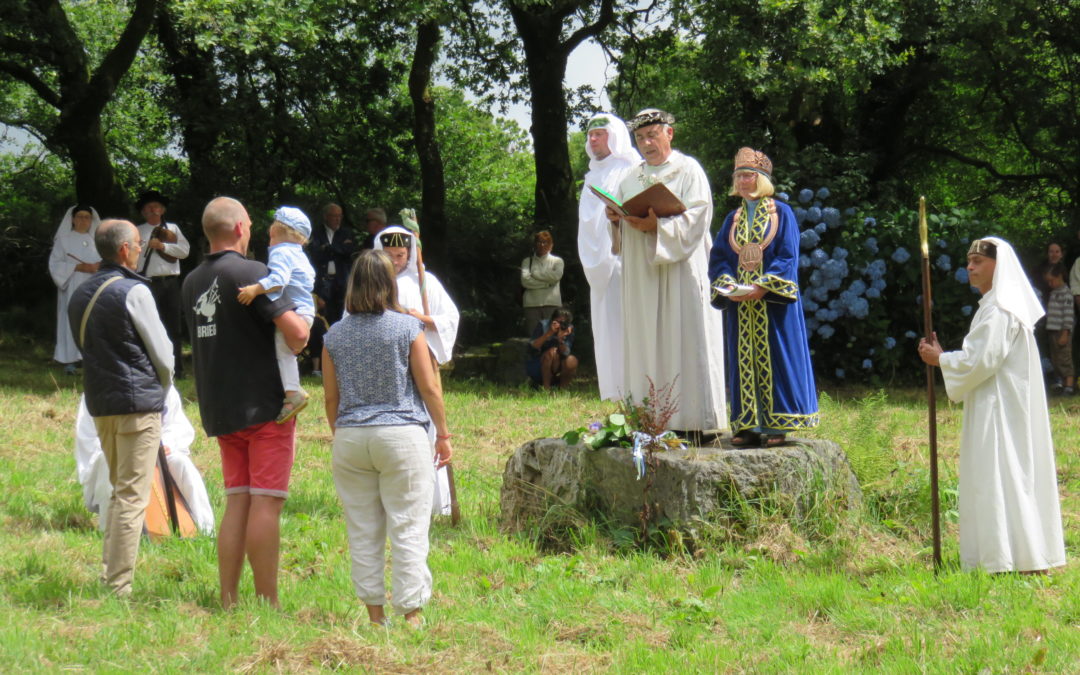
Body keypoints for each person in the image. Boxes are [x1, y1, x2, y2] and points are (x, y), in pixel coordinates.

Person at [182, 196, 310, 608]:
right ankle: (268, 602)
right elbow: (297, 334)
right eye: (251, 224)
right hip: (266, 407)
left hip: (220, 407)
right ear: (239, 228)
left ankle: (228, 597)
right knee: (266, 503)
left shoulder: (190, 282)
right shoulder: (254, 273)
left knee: (237, 498)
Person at [918, 237, 1066, 574]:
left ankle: (1009, 558)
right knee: (1008, 473)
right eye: (969, 261)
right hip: (1000, 402)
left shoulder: (1000, 309)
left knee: (1001, 472)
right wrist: (945, 358)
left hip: (999, 408)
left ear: (999, 266)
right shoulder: (996, 306)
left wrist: (941, 359)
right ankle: (1015, 555)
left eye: (978, 262)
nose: (970, 267)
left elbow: (982, 360)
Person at [322, 249, 452, 628]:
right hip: (401, 435)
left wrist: (342, 431)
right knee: (408, 525)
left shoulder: (334, 336)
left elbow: (331, 397)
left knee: (363, 528)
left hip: (350, 435)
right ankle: (411, 614)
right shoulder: (407, 328)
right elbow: (429, 388)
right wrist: (443, 434)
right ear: (389, 283)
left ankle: (375, 615)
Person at [68, 219, 174, 595]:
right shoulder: (134, 291)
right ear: (126, 249)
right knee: (132, 495)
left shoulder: (79, 294)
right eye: (138, 243)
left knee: (118, 489)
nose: (142, 247)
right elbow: (164, 355)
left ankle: (107, 573)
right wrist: (162, 390)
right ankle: (118, 586)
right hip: (137, 404)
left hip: (100, 402)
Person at [605, 108, 726, 436]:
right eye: (641, 138)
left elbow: (700, 215)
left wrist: (658, 227)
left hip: (679, 268)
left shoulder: (689, 170)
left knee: (684, 334)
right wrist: (616, 219)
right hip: (643, 273)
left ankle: (693, 420)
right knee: (646, 336)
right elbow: (621, 223)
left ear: (668, 134)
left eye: (652, 135)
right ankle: (650, 418)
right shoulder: (631, 178)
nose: (646, 143)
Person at [708, 147, 819, 446]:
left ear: (762, 179)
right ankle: (746, 425)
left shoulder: (782, 213)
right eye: (739, 176)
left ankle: (776, 424)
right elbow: (718, 258)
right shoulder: (732, 219)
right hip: (740, 308)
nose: (743, 181)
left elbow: (787, 255)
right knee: (741, 360)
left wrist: (764, 286)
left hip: (771, 304)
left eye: (749, 175)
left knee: (777, 357)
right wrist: (729, 285)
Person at [373, 224, 459, 515]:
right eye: (389, 255)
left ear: (409, 254)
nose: (395, 261)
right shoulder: (369, 285)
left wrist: (420, 317)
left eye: (400, 255)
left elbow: (450, 318)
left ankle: (434, 502)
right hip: (385, 373)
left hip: (419, 368)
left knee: (427, 430)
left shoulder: (426, 282)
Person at [75, 385, 215, 534]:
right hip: (116, 459)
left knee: (182, 463)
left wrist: (165, 444)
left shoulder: (162, 385)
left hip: (159, 456)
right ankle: (113, 531)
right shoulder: (97, 390)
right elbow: (89, 441)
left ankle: (205, 529)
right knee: (106, 461)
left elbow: (176, 426)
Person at [578, 113, 639, 400]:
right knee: (606, 327)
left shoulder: (633, 170)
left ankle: (637, 390)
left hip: (626, 259)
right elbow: (587, 226)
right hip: (599, 266)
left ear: (614, 136)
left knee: (630, 325)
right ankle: (614, 393)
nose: (593, 139)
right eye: (590, 135)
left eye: (599, 134)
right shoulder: (591, 177)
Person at [237, 206, 317, 422]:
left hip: (295, 311)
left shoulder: (281, 251)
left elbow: (279, 280)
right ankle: (291, 390)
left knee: (283, 351)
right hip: (307, 310)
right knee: (287, 350)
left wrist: (255, 289)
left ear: (274, 232)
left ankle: (293, 394)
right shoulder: (299, 254)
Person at [135, 190, 190, 378]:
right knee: (149, 325)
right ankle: (150, 367)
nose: (153, 210)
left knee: (174, 327)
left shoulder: (173, 229)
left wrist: (163, 246)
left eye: (156, 206)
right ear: (143, 211)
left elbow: (184, 251)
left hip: (171, 283)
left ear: (163, 210)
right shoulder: (137, 231)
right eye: (149, 207)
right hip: (148, 282)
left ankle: (177, 369)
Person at [49, 204, 101, 374]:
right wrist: (78, 267)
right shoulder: (63, 240)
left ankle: (92, 359)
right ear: (72, 219)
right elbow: (55, 264)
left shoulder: (98, 241)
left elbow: (108, 261)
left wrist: (97, 267)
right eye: (79, 216)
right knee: (71, 318)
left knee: (93, 319)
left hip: (94, 286)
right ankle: (70, 360)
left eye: (87, 217)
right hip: (72, 284)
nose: (83, 220)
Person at [309, 203, 358, 326]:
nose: (337, 219)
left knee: (343, 317)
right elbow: (315, 254)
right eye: (334, 216)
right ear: (326, 217)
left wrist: (327, 247)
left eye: (339, 216)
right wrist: (339, 248)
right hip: (323, 282)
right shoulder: (316, 232)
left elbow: (349, 251)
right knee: (326, 318)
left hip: (342, 283)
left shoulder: (346, 233)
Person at [526, 307, 578, 389]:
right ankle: (546, 389)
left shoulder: (568, 329)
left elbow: (566, 352)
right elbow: (533, 347)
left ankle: (563, 389)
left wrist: (561, 339)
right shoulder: (543, 325)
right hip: (539, 364)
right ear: (552, 320)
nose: (561, 325)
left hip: (559, 364)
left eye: (563, 323)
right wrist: (549, 333)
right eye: (558, 322)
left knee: (572, 360)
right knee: (551, 352)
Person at [520, 231, 564, 329]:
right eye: (539, 242)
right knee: (535, 339)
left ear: (551, 245)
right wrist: (546, 284)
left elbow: (556, 277)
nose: (542, 245)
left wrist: (535, 274)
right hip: (531, 304)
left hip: (552, 304)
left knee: (552, 337)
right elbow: (525, 281)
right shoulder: (527, 261)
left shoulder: (557, 261)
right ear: (535, 244)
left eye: (545, 242)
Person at [1042, 262, 1074, 394]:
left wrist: (1065, 333)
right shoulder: (1054, 292)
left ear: (1060, 276)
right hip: (1053, 331)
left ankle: (1069, 385)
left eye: (1051, 281)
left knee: (1064, 358)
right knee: (1055, 359)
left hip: (1062, 331)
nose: (1050, 284)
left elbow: (1068, 315)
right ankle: (1060, 383)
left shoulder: (1066, 294)